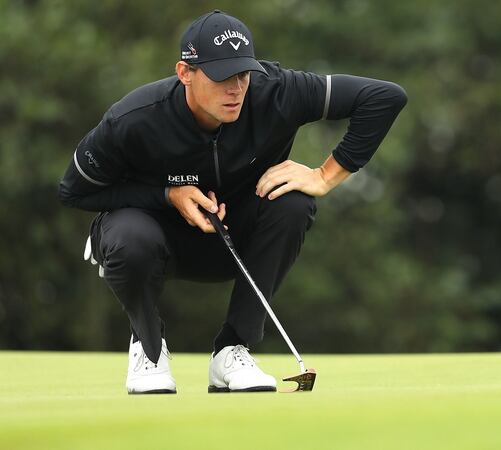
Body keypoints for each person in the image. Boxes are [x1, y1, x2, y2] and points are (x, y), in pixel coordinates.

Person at [58, 10, 406, 394]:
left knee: (293, 202)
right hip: (154, 239)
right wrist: (165, 195)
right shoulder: (134, 118)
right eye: (222, 76)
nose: (236, 88)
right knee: (127, 233)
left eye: (243, 74)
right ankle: (149, 346)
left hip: (238, 240)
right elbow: (74, 190)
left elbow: (384, 97)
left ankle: (231, 350)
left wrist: (324, 176)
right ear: (185, 72)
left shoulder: (276, 91)